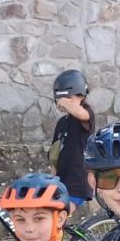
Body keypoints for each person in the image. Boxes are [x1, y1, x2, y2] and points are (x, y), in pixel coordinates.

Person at [49, 68, 96, 210]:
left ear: (81, 96)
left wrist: (64, 101)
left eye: (70, 98)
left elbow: (80, 113)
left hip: (77, 182)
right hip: (61, 181)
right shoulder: (62, 123)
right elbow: (54, 157)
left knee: (61, 215)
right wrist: (51, 182)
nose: (64, 103)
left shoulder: (86, 115)